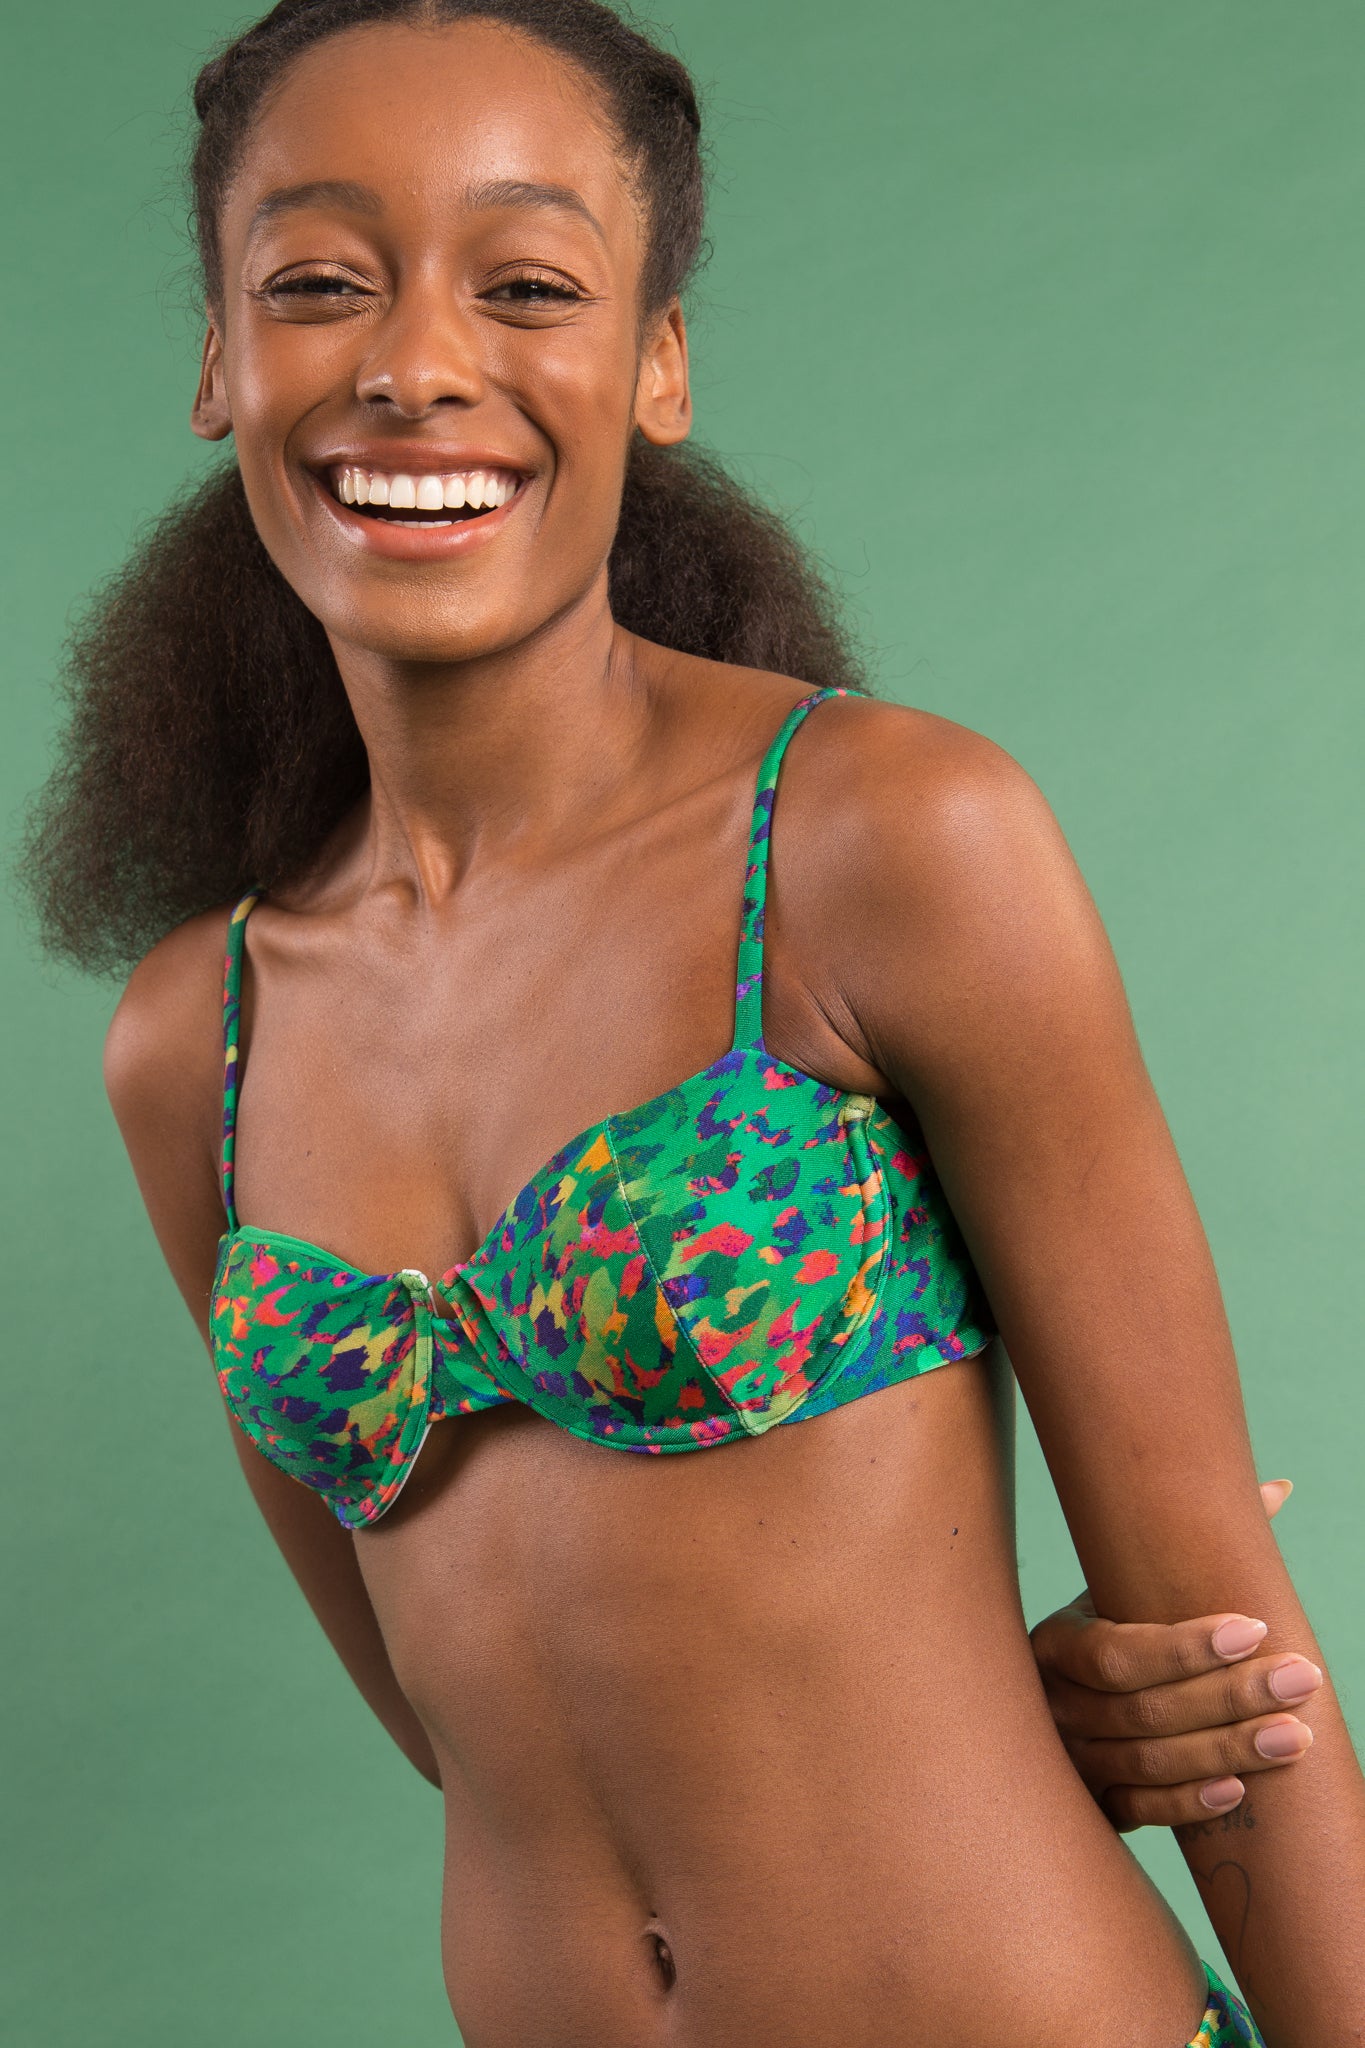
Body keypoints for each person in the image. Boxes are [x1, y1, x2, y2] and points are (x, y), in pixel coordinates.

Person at [22, 3, 1362, 2043]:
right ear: (220, 359)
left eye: (526, 285)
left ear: (654, 362)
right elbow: (470, 1733)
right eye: (315, 283)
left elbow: (1232, 1667)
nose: (413, 363)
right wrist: (967, 1705)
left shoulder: (877, 839)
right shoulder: (186, 1046)